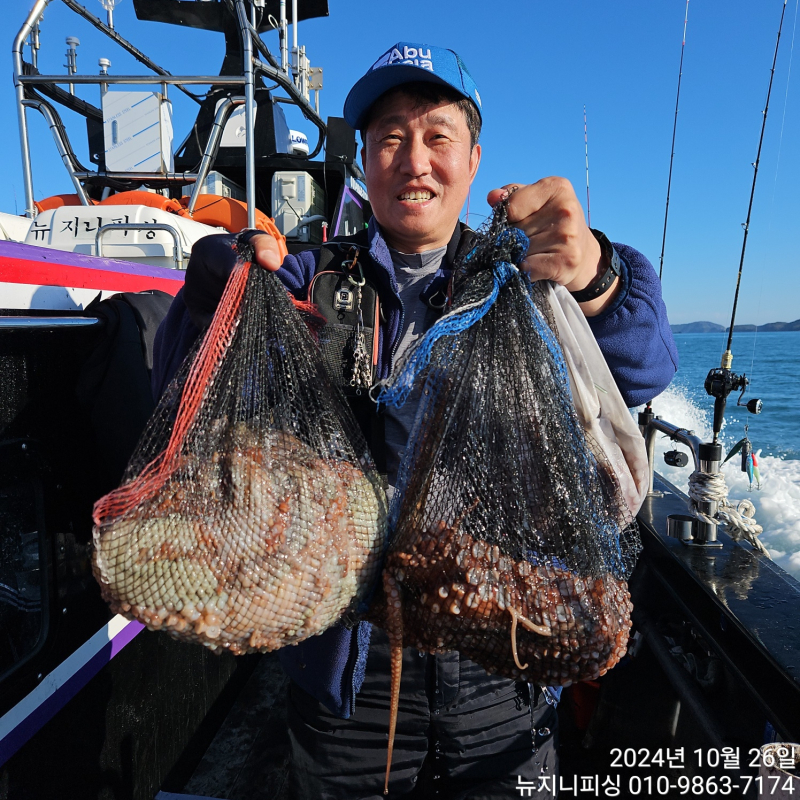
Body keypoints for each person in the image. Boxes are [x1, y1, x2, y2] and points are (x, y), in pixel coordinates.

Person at [152, 42, 678, 800]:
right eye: (390, 137)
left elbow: (644, 367)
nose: (414, 160)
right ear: (364, 159)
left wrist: (597, 274)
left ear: (474, 160)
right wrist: (209, 296)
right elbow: (186, 394)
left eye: (437, 137)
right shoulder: (305, 279)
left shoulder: (524, 280)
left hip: (506, 651)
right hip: (348, 673)